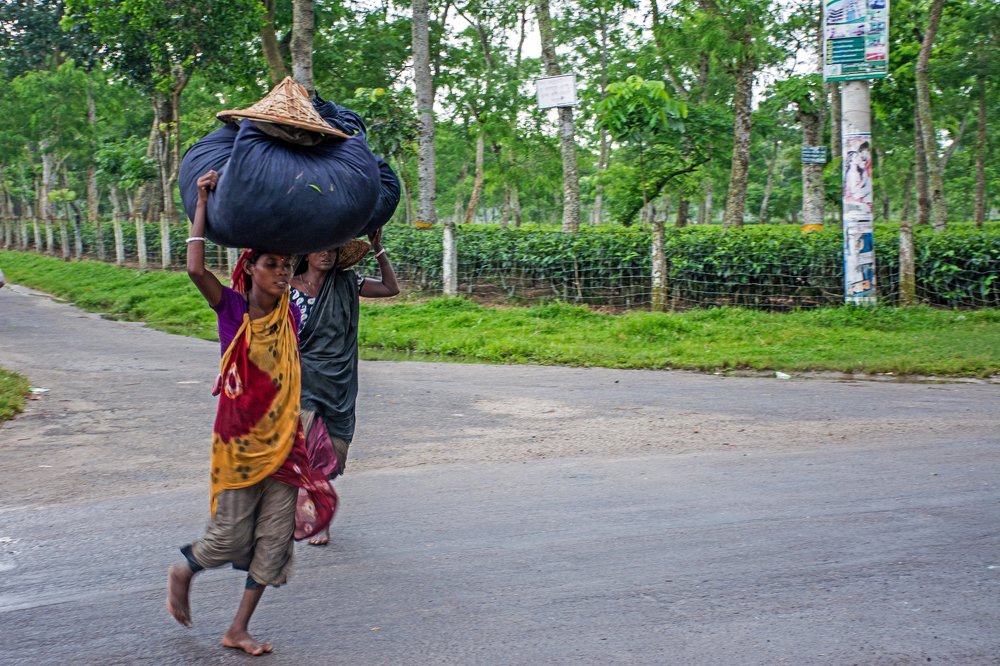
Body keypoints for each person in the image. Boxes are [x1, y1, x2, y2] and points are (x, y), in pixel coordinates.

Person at [167, 169, 335, 656]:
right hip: (240, 442)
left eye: (287, 265)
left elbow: (315, 274)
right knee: (227, 538)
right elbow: (197, 270)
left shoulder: (293, 314)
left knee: (275, 543)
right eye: (273, 265)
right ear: (250, 269)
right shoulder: (233, 310)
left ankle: (236, 629)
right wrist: (202, 199)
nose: (283, 273)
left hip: (286, 441)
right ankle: (185, 568)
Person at [290, 226, 399, 545]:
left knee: (331, 455)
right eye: (319, 248)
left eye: (332, 249)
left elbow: (391, 288)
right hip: (303, 382)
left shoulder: (349, 283)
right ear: (305, 254)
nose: (326, 254)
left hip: (339, 383)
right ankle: (311, 518)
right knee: (309, 452)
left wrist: (379, 250)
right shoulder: (288, 288)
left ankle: (314, 513)